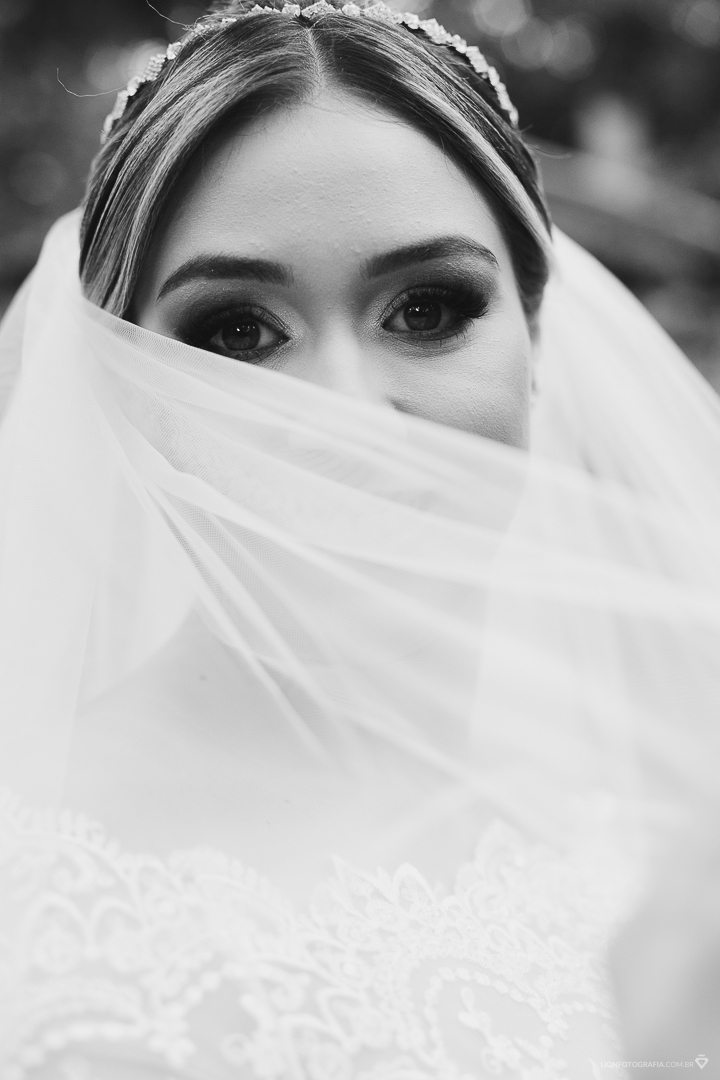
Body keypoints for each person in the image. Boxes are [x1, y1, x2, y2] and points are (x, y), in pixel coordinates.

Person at [0, 1, 719, 1076]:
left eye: (427, 309)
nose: (344, 414)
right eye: (237, 332)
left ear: (533, 338)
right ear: (126, 387)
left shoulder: (638, 826)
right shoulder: (35, 894)